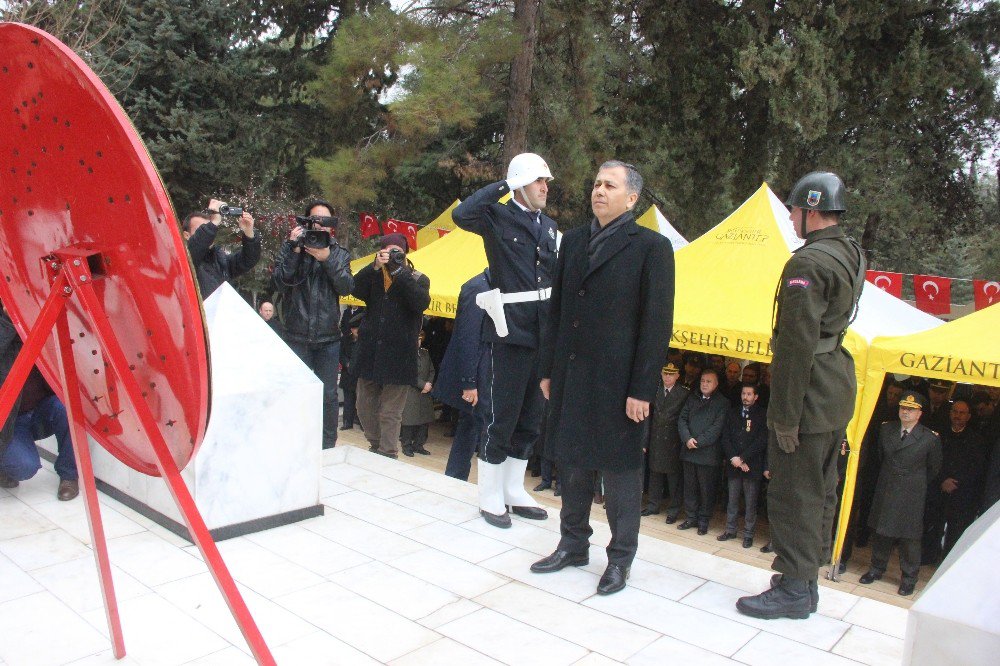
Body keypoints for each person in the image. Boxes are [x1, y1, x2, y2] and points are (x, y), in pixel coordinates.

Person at [531, 160, 674, 595]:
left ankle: (620, 559)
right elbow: (556, 311)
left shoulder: (651, 247)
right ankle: (573, 543)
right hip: (572, 376)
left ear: (631, 198)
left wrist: (641, 388)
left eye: (609, 185)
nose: (599, 191)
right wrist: (548, 370)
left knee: (620, 475)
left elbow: (656, 324)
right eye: (596, 183)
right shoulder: (573, 242)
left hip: (619, 385)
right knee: (572, 465)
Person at [737, 171, 866, 620]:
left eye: (794, 209)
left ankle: (794, 589)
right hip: (834, 387)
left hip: (808, 393)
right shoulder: (850, 251)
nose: (791, 217)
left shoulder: (808, 264)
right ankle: (805, 578)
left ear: (812, 211)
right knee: (821, 490)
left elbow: (794, 348)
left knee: (795, 492)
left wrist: (785, 417)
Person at [452, 152, 557, 527]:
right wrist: (504, 186)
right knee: (501, 415)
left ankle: (513, 489)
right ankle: (489, 495)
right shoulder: (496, 216)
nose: (545, 188)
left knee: (531, 418)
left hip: (542, 333)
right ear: (519, 184)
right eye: (538, 181)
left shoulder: (549, 226)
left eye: (546, 182)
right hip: (508, 330)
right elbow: (461, 215)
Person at [273, 200, 353, 450]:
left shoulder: (339, 253)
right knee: (297, 393)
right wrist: (295, 250)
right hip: (297, 335)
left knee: (328, 395)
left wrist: (327, 259)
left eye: (325, 221)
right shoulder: (292, 248)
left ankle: (327, 445)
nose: (319, 225)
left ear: (331, 227)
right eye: (314, 220)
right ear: (305, 221)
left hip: (328, 338)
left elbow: (347, 287)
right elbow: (279, 282)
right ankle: (295, 442)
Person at [351, 233, 431, 458]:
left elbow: (420, 303)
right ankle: (375, 443)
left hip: (400, 355)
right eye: (389, 251)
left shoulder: (416, 277)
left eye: (398, 251)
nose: (393, 255)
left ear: (406, 253)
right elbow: (354, 288)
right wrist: (375, 266)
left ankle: (387, 452)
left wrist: (400, 273)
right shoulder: (374, 274)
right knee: (364, 406)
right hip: (370, 351)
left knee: (390, 411)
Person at [859, 392, 941, 595]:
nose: (906, 411)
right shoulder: (886, 429)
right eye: (903, 407)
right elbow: (880, 456)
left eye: (911, 409)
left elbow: (934, 469)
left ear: (920, 413)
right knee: (881, 531)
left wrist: (912, 481)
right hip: (887, 487)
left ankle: (909, 577)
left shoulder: (929, 438)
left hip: (911, 493)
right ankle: (876, 568)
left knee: (909, 538)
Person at [0, 311, 78, 501]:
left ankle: (69, 476)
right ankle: (4, 466)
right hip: (11, 418)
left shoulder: (36, 314)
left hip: (41, 409)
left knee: (66, 407)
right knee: (24, 467)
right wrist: (8, 319)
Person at [435, 272, 491, 481]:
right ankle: (455, 479)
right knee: (470, 429)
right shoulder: (477, 287)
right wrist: (469, 382)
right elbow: (467, 337)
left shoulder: (496, 284)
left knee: (474, 429)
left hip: (487, 374)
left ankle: (458, 478)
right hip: (477, 376)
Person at [926, 399, 987, 561]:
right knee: (932, 525)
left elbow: (977, 468)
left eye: (962, 413)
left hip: (961, 493)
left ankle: (947, 561)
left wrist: (955, 483)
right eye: (955, 412)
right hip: (938, 489)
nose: (957, 416)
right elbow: (931, 461)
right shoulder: (938, 435)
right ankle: (929, 557)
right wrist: (942, 480)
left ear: (968, 416)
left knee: (956, 531)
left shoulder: (976, 439)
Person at [677, 368, 729, 535]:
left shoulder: (723, 403)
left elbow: (717, 428)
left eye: (708, 381)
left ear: (716, 384)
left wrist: (698, 442)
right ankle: (691, 517)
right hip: (689, 450)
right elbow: (682, 419)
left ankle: (703, 520)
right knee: (690, 487)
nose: (704, 384)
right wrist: (687, 438)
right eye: (702, 381)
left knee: (706, 489)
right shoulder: (692, 398)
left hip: (707, 454)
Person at [718, 383, 768, 548]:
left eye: (749, 394)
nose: (745, 397)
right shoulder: (732, 412)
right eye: (743, 394)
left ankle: (748, 534)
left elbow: (761, 441)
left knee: (750, 503)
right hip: (734, 465)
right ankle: (730, 530)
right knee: (732, 501)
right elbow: (726, 437)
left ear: (756, 397)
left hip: (751, 465)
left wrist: (743, 458)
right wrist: (734, 458)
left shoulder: (762, 415)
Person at [182, 199, 261, 298]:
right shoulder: (184, 259)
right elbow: (194, 249)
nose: (208, 232)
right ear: (186, 235)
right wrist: (214, 222)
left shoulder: (219, 259)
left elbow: (249, 260)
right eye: (201, 229)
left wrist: (249, 233)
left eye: (209, 227)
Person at [643, 361, 689, 522]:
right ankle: (652, 505)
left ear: (677, 376)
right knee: (655, 474)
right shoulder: (655, 390)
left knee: (673, 479)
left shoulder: (683, 393)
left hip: (673, 440)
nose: (667, 377)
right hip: (656, 437)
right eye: (665, 373)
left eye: (671, 374)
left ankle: (673, 510)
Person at [400, 331, 436, 457]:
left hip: (425, 392)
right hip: (411, 391)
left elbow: (432, 370)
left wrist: (429, 384)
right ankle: (407, 445)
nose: (418, 341)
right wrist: (422, 384)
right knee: (409, 421)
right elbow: (407, 373)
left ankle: (419, 445)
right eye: (416, 339)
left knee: (424, 420)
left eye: (420, 339)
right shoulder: (405, 354)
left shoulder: (425, 353)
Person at [338, 312, 363, 430]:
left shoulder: (365, 341)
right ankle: (347, 422)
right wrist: (347, 363)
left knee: (362, 400)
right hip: (348, 374)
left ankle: (362, 423)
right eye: (354, 328)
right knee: (348, 400)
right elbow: (341, 354)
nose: (356, 331)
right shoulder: (345, 340)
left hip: (360, 375)